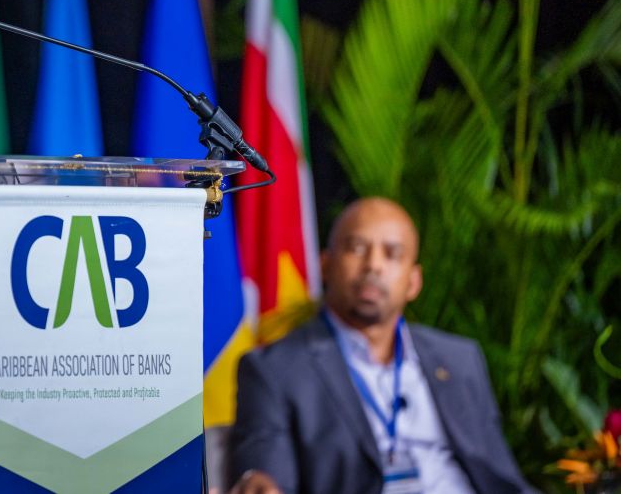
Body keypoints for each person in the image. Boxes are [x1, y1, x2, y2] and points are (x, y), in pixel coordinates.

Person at [229, 198, 536, 494]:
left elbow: (500, 474)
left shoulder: (459, 359)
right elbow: (265, 470)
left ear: (414, 282)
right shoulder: (274, 369)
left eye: (392, 254)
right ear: (325, 265)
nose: (373, 265)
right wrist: (258, 478)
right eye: (357, 248)